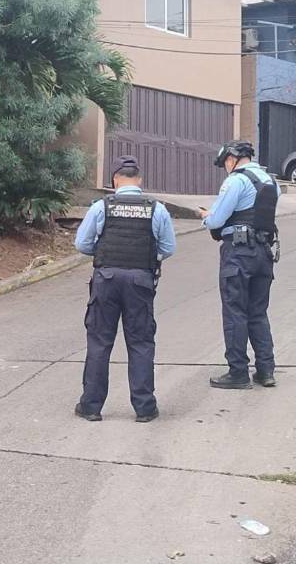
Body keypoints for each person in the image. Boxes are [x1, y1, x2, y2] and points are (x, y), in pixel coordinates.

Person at [73, 156, 176, 423]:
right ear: (139, 180)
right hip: (140, 281)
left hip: (106, 279)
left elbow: (82, 244)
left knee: (99, 342)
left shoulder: (101, 206)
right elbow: (167, 249)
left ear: (115, 179)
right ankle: (144, 408)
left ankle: (91, 406)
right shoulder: (157, 209)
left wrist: (106, 253)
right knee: (141, 343)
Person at [200, 140, 280, 390]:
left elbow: (217, 220)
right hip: (264, 252)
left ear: (232, 158)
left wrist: (206, 216)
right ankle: (266, 370)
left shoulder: (236, 180)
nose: (225, 167)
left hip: (239, 252)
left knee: (235, 312)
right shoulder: (270, 181)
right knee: (258, 312)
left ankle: (238, 372)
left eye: (225, 162)